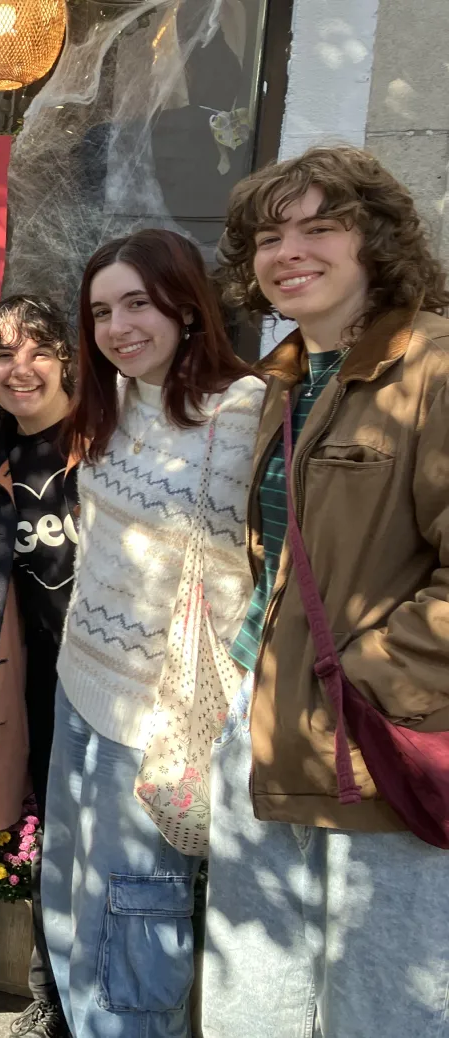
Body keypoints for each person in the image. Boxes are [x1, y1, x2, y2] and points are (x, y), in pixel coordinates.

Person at [202, 146, 449, 1035]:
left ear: (374, 241)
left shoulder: (434, 369)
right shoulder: (286, 377)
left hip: (378, 752)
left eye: (320, 227)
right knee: (250, 1008)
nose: (288, 252)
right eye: (270, 236)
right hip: (267, 737)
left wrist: (373, 680)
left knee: (381, 1014)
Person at [42, 228, 262, 1038]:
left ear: (186, 302)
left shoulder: (241, 412)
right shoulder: (114, 400)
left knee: (135, 913)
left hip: (163, 708)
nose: (118, 326)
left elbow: (252, 572)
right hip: (79, 683)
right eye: (101, 311)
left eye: (138, 302)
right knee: (69, 894)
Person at [0, 296, 77, 1038]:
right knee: (53, 837)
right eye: (3, 355)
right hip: (38, 682)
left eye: (37, 350)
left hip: (112, 680)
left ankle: (98, 1004)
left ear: (67, 356)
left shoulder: (102, 443)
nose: (20, 368)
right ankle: (52, 999)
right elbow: (7, 577)